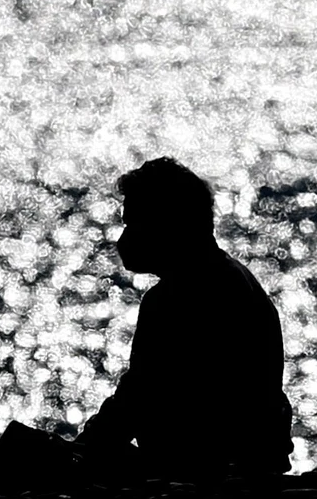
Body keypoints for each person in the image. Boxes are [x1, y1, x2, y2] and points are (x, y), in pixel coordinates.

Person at [74, 157, 292, 477]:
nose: (124, 239)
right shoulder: (234, 277)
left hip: (207, 468)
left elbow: (137, 397)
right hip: (253, 460)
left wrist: (81, 447)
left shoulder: (174, 298)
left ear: (168, 225)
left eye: (134, 224)